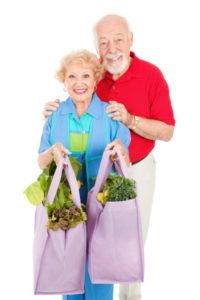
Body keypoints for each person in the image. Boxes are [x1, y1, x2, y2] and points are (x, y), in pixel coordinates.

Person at [43, 15, 175, 300]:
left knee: (127, 244)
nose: (112, 47)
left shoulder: (151, 75)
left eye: (118, 39)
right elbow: (76, 91)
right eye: (103, 42)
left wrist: (131, 121)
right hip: (84, 175)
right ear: (97, 47)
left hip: (133, 169)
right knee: (84, 244)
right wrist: (52, 112)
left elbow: (167, 131)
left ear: (131, 39)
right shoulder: (94, 74)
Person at [38, 49, 131, 300]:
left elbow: (125, 157)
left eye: (86, 76)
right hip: (67, 206)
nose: (79, 83)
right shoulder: (55, 115)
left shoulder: (110, 114)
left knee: (101, 268)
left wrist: (118, 151)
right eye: (72, 77)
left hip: (103, 206)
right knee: (71, 271)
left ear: (95, 79)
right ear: (64, 80)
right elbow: (40, 160)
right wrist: (53, 151)